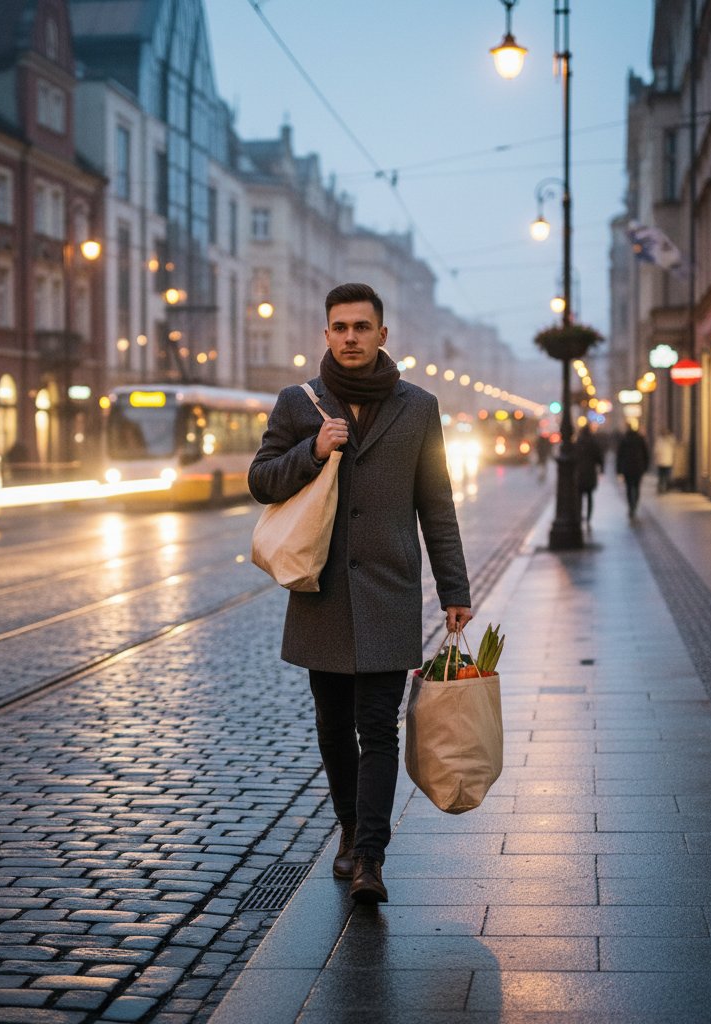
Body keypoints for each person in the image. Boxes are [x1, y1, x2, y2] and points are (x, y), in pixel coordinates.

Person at [248, 282, 473, 905]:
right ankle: (349, 827)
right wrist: (310, 450)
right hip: (320, 592)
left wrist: (454, 586)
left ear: (382, 335)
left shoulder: (419, 407)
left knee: (378, 727)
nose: (350, 337)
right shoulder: (300, 404)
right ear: (326, 335)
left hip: (388, 590)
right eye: (339, 327)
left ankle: (371, 856)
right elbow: (261, 481)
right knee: (331, 726)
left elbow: (437, 502)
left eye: (361, 327)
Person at [616, 423, 650, 520]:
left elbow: (620, 456)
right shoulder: (640, 439)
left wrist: (618, 470)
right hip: (638, 467)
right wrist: (645, 467)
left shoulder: (624, 439)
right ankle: (634, 505)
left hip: (627, 468)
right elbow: (646, 454)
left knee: (629, 488)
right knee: (637, 487)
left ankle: (631, 506)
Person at [573, 424, 605, 526]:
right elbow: (599, 457)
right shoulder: (593, 442)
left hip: (580, 473)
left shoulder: (578, 442)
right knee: (590, 496)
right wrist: (601, 469)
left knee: (579, 496)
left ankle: (578, 515)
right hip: (590, 473)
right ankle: (589, 517)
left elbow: (573, 457)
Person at [654, 428, 676, 494]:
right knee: (662, 476)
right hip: (661, 461)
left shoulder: (670, 439)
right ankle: (661, 487)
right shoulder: (659, 440)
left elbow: (674, 448)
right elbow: (656, 450)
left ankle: (666, 487)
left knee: (666, 475)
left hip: (667, 461)